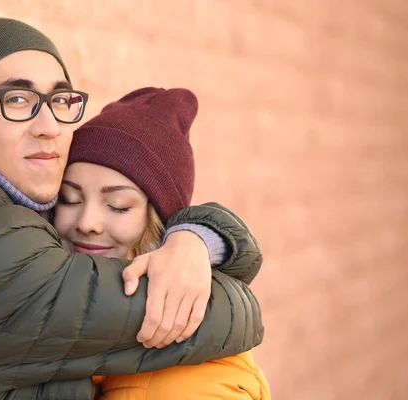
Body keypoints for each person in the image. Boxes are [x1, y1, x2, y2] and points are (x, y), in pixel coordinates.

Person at [0, 17, 264, 400]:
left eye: (59, 100)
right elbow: (210, 314)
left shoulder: (15, 210)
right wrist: (193, 264)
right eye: (17, 99)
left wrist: (194, 238)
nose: (49, 125)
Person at [53, 87, 270, 400]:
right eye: (69, 198)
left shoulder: (192, 387)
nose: (87, 223)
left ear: (159, 221)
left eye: (117, 205)